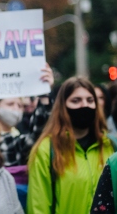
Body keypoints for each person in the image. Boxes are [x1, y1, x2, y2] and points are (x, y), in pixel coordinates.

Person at [27, 76, 115, 214]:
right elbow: (38, 207)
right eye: (76, 100)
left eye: (90, 100)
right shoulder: (46, 149)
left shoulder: (111, 145)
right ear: (62, 107)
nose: (84, 105)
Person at [0, 63, 54, 167]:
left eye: (20, 106)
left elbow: (39, 133)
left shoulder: (15, 141)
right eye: (10, 104)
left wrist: (44, 92)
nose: (16, 109)